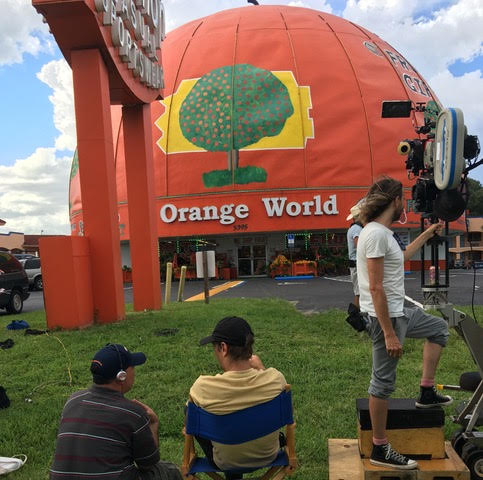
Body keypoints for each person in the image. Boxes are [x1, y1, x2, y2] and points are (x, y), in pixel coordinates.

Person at [356, 177, 452, 470]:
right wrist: (389, 334)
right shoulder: (375, 234)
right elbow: (375, 287)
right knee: (382, 384)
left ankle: (426, 392)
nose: (405, 205)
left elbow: (402, 256)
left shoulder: (383, 233)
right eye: (403, 199)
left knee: (439, 330)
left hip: (401, 313)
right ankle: (380, 448)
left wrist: (427, 234)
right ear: (394, 200)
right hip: (386, 318)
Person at [50, 344, 182, 480]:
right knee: (169, 471)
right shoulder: (133, 413)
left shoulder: (73, 400)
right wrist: (153, 424)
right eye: (132, 367)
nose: (134, 371)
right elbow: (148, 464)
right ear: (121, 376)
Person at [188, 316, 287, 480]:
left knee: (191, 411)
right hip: (269, 456)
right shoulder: (276, 380)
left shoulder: (203, 388)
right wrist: (261, 369)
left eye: (215, 348)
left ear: (223, 348)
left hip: (224, 462)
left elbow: (191, 422)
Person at [346, 200, 364, 308]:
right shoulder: (357, 229)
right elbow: (359, 246)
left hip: (354, 263)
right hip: (357, 263)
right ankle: (357, 313)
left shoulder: (352, 228)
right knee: (359, 292)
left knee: (359, 291)